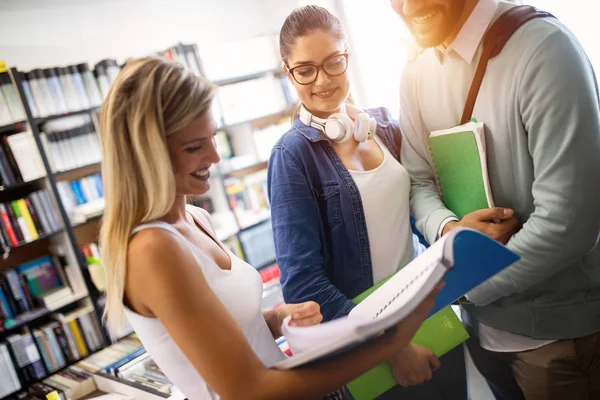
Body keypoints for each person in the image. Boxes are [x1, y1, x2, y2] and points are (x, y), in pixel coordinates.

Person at [98, 56, 441, 400]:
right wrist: (387, 346)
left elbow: (219, 336)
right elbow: (250, 390)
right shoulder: (152, 249)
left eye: (212, 137)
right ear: (148, 153)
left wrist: (276, 319)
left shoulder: (195, 219)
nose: (216, 157)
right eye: (194, 146)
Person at [392, 0, 600, 399]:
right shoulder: (416, 70)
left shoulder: (545, 50)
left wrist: (466, 285)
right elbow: (418, 182)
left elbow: (569, 223)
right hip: (479, 334)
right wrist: (449, 229)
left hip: (557, 340)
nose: (406, 5)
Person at [268, 5, 465, 399]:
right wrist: (391, 347)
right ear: (289, 73)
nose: (321, 80)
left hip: (430, 319)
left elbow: (421, 206)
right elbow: (303, 285)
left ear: (347, 57)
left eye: (333, 63)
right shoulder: (292, 156)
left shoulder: (384, 126)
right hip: (377, 353)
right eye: (305, 70)